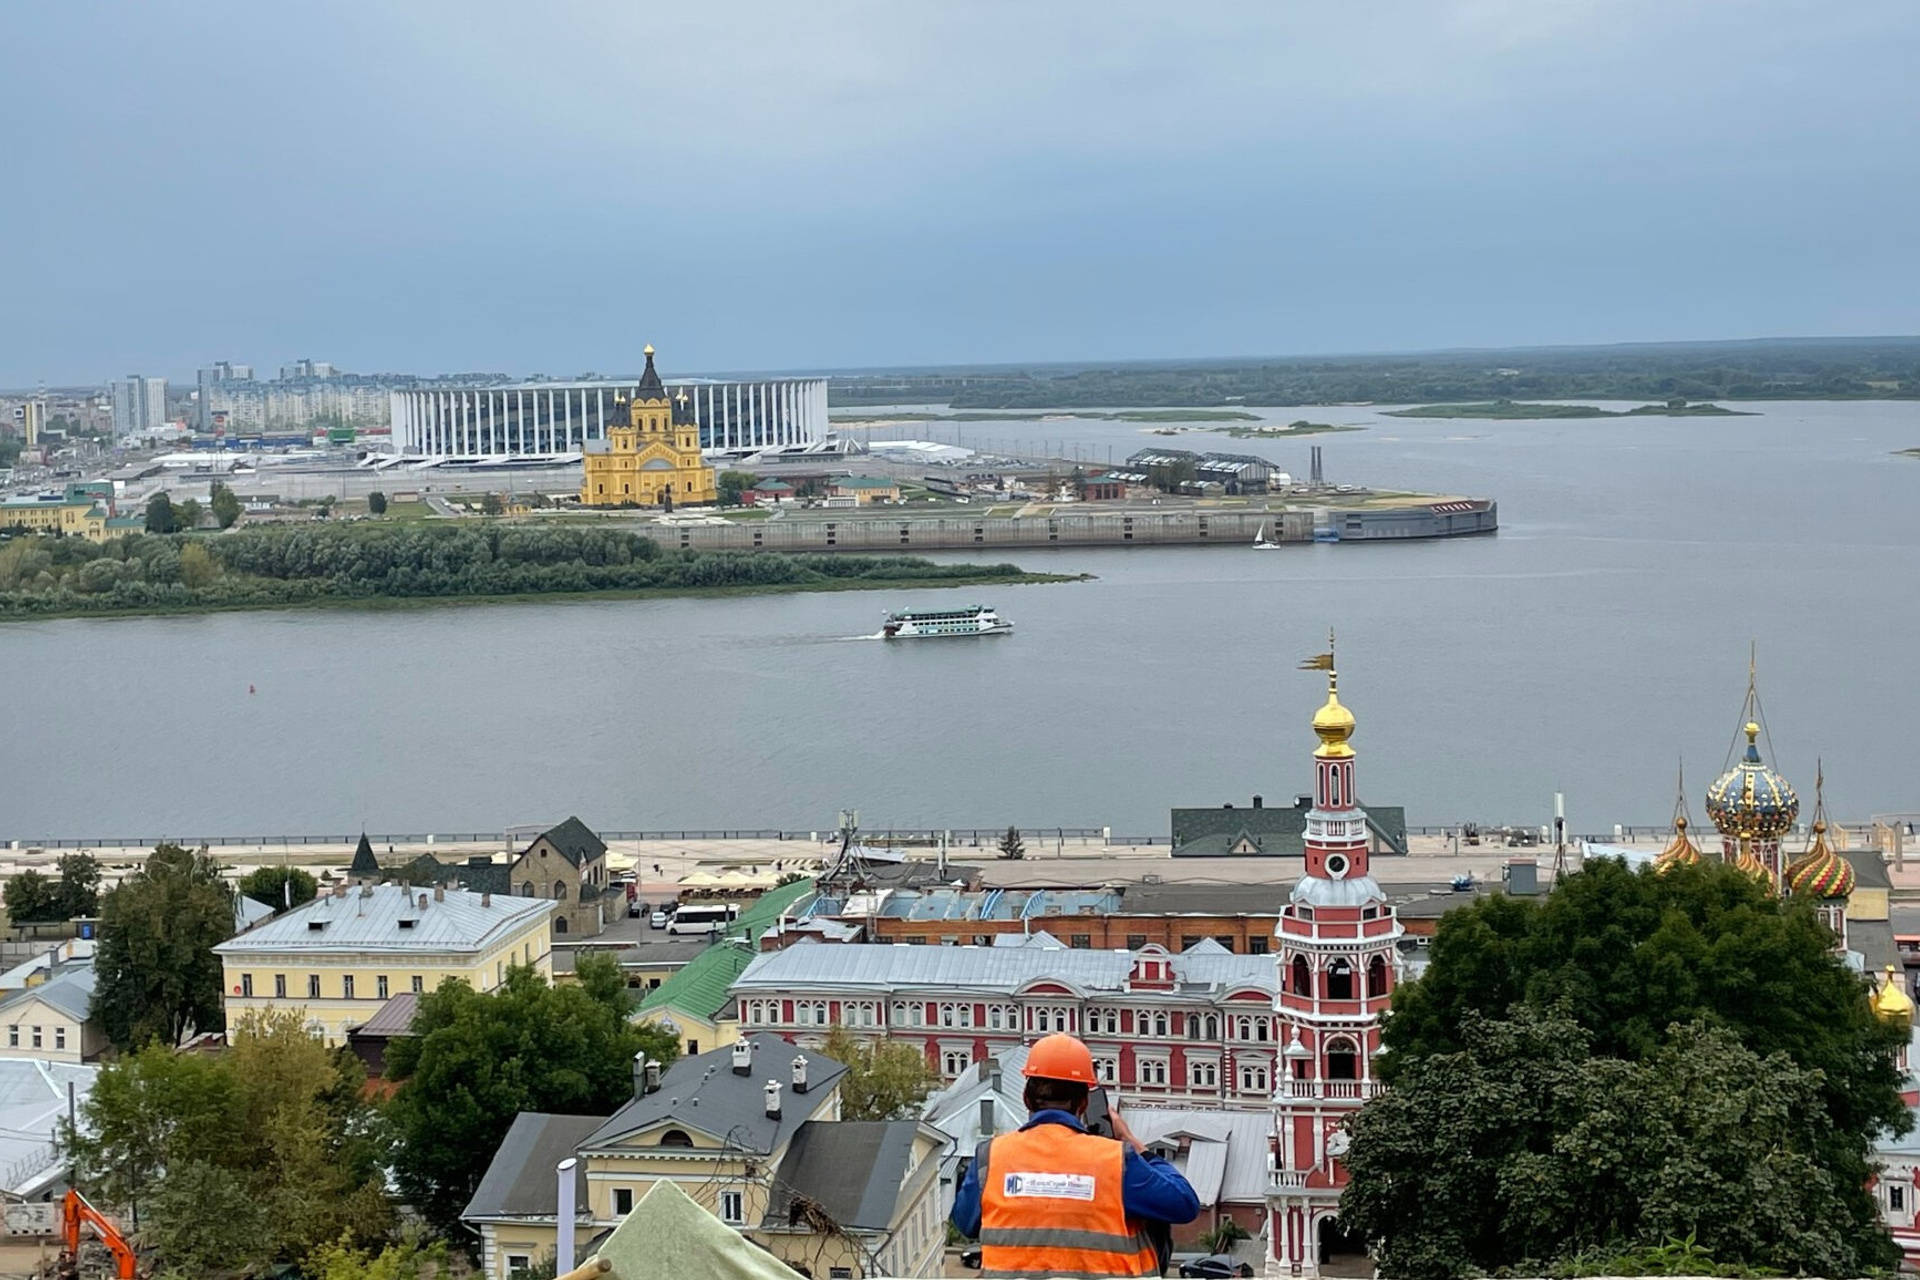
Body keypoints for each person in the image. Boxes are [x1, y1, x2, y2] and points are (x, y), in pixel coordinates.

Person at [952, 1033, 1199, 1278]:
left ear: (1027, 1099)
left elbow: (966, 1222)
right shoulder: (1116, 1161)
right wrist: (1134, 1144)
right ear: (1083, 1104)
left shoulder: (992, 1156)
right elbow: (1184, 1205)